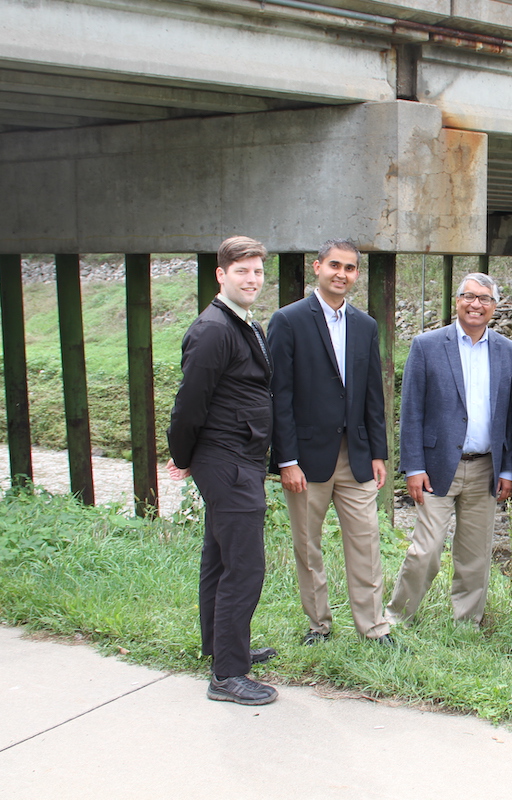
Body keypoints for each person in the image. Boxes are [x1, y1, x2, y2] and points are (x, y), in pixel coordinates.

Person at [267, 239, 396, 646]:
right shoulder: (288, 321)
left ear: (356, 274)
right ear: (317, 267)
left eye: (350, 268)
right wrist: (286, 459)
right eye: (334, 265)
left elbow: (373, 395)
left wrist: (378, 452)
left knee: (366, 543)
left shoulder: (365, 325)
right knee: (308, 546)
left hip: (355, 456)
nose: (342, 274)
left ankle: (374, 628)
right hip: (306, 459)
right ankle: (318, 625)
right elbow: (279, 395)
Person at [166, 235, 278, 705]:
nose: (251, 280)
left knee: (219, 557)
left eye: (257, 272)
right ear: (221, 275)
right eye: (242, 272)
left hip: (239, 457)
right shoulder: (214, 329)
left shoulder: (242, 324)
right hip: (227, 460)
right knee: (245, 566)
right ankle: (228, 675)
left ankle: (220, 647)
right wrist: (184, 456)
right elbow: (189, 403)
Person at [387, 273, 512, 626]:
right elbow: (412, 410)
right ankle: (397, 618)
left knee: (475, 555)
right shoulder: (427, 345)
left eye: (484, 299)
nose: (476, 304)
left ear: (495, 306)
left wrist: (508, 470)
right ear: (457, 301)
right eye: (469, 296)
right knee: (425, 550)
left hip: (486, 469)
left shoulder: (509, 352)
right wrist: (412, 466)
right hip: (435, 467)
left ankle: (467, 624)